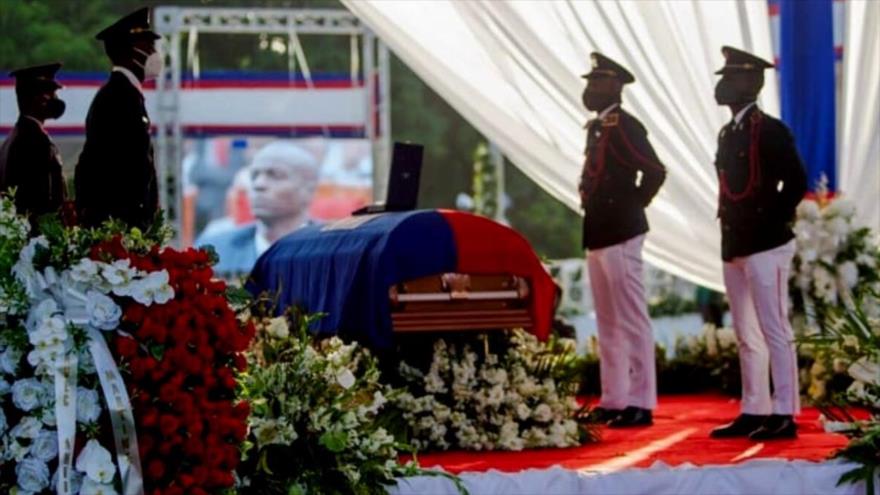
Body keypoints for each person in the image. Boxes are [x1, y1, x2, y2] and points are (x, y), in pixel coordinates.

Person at [708, 46, 807, 441]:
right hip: (735, 241)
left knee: (774, 328)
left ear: (753, 82)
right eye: (724, 76)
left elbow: (796, 182)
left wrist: (768, 219)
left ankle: (784, 411)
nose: (723, 84)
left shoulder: (770, 130)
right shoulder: (729, 131)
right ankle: (755, 408)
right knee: (747, 333)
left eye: (732, 77)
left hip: (766, 242)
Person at [579, 53, 666, 428]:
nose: (590, 89)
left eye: (597, 82)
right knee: (608, 321)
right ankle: (614, 397)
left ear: (616, 86)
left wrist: (633, 204)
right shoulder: (599, 127)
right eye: (590, 81)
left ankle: (641, 400)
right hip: (599, 230)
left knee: (631, 317)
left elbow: (655, 170)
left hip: (621, 229)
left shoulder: (626, 126)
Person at [74, 7, 161, 229]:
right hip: (119, 223)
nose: (154, 52)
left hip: (127, 223)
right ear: (131, 51)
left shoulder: (127, 95)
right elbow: (115, 167)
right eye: (148, 45)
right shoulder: (117, 97)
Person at [195, 141, 320, 279]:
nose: (258, 185)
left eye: (276, 175)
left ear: (309, 190)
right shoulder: (214, 250)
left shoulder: (338, 250)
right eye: (254, 176)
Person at [0, 63, 67, 222]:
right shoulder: (36, 141)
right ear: (39, 99)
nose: (55, 100)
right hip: (37, 240)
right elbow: (43, 204)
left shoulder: (13, 138)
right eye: (51, 94)